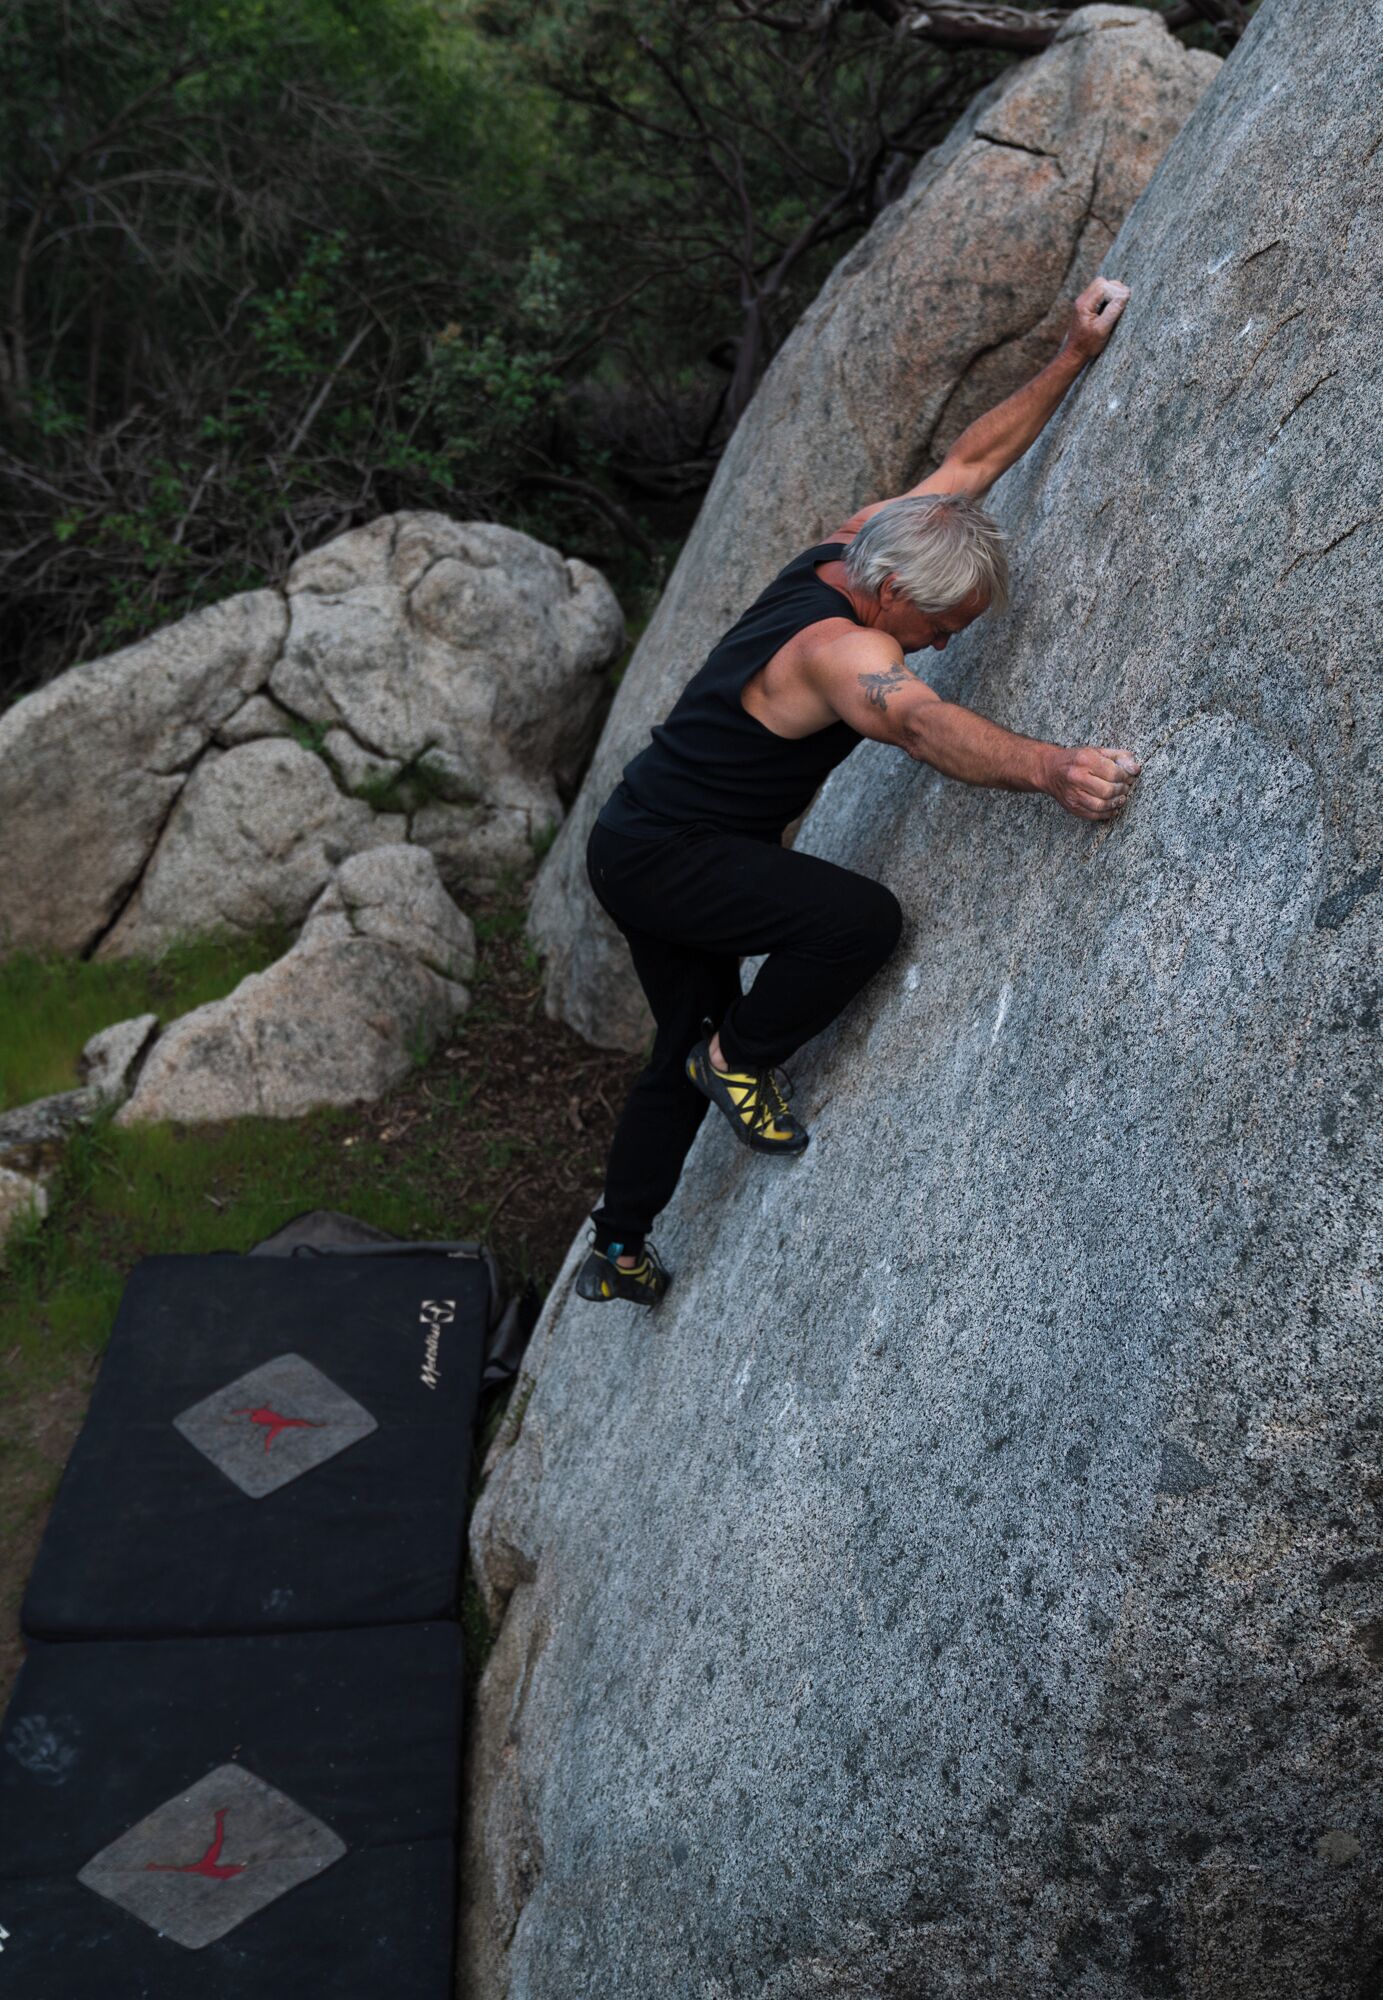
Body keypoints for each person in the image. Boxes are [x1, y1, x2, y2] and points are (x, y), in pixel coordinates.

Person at [576, 274, 1142, 1308]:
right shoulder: (845, 652)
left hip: (643, 831)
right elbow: (923, 724)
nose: (944, 642)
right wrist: (1055, 768)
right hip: (670, 855)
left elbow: (972, 462)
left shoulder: (867, 536)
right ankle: (738, 1058)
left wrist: (1072, 354)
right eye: (939, 628)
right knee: (854, 922)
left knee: (677, 1044)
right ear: (891, 597)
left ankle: (616, 1246)